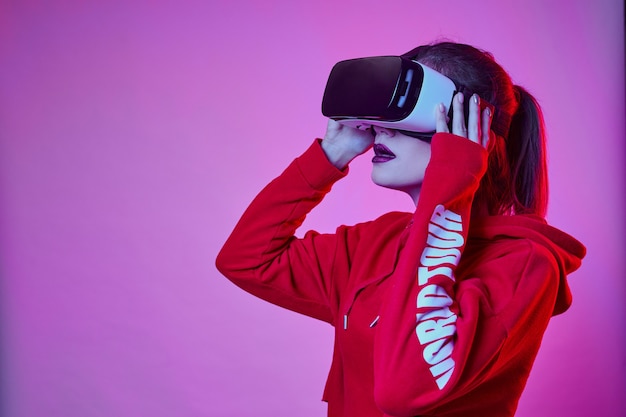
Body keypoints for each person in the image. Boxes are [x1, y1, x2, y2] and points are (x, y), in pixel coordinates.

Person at [215, 41, 586, 417]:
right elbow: (246, 260)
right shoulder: (376, 242)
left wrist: (453, 176)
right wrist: (330, 155)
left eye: (409, 116)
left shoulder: (524, 265)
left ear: (472, 132)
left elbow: (402, 392)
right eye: (383, 117)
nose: (382, 132)